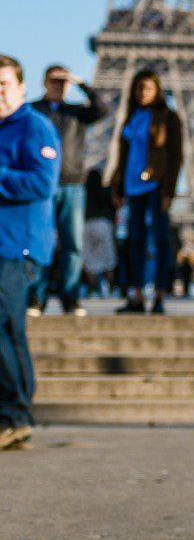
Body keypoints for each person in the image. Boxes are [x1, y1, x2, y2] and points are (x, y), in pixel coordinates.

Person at [0, 55, 60, 449]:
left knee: (5, 326)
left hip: (17, 246)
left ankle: (15, 414)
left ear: (22, 88)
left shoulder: (35, 126)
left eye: (3, 84)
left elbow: (42, 183)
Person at [27, 65, 109, 317]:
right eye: (54, 80)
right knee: (41, 241)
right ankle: (36, 297)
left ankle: (70, 297)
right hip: (43, 182)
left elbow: (102, 109)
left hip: (72, 182)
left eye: (63, 81)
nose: (59, 85)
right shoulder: (33, 110)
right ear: (44, 82)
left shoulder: (76, 112)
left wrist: (80, 82)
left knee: (73, 243)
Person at [111, 69, 183, 315]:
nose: (143, 93)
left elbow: (176, 157)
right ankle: (137, 294)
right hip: (132, 186)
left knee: (161, 239)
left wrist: (169, 191)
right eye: (140, 88)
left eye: (148, 88)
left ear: (157, 91)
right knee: (135, 241)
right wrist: (118, 186)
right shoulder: (131, 117)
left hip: (156, 185)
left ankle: (161, 294)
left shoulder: (168, 117)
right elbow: (123, 156)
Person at [82, 167, 118, 296]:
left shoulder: (84, 192)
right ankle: (110, 288)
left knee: (90, 260)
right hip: (103, 224)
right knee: (108, 260)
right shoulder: (105, 192)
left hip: (87, 224)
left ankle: (93, 289)